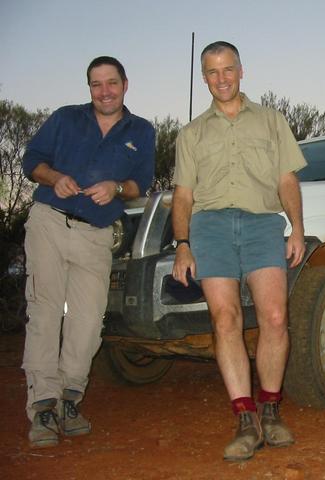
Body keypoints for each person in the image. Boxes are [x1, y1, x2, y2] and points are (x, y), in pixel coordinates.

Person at [171, 41, 306, 462]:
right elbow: (183, 195)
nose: (221, 78)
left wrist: (297, 229)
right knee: (224, 317)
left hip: (262, 223)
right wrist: (182, 244)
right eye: (212, 72)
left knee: (275, 316)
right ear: (204, 77)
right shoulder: (191, 133)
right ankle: (245, 417)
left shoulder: (271, 121)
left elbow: (286, 180)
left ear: (242, 71)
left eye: (228, 69)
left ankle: (270, 409)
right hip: (209, 227)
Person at [21, 56, 155, 448]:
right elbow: (32, 161)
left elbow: (139, 184)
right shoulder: (65, 118)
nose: (105, 91)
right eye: (96, 84)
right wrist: (55, 177)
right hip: (49, 221)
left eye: (111, 82)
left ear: (125, 84)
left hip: (97, 234)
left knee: (88, 321)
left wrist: (115, 187)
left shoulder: (141, 131)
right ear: (89, 89)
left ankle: (70, 399)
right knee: (44, 311)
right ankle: (42, 406)